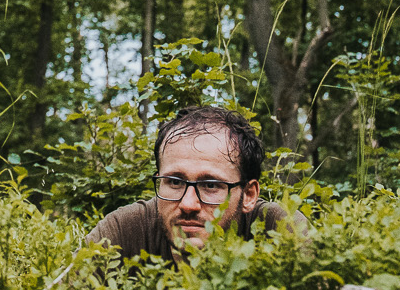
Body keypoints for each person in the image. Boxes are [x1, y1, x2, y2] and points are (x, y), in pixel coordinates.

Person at [88, 105, 309, 261]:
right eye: (174, 182)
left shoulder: (280, 228)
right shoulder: (122, 231)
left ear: (249, 195)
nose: (188, 204)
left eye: (211, 185)